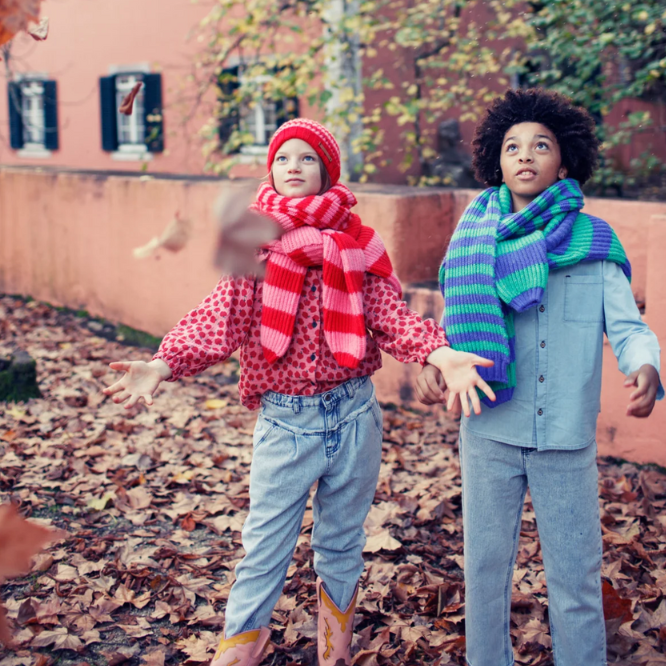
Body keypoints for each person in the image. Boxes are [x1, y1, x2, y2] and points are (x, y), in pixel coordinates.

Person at [103, 118, 495, 666]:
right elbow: (225, 314)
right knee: (265, 544)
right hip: (286, 422)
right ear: (271, 169)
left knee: (340, 543)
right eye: (283, 157)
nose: (293, 166)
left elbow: (386, 313)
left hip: (355, 415)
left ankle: (335, 648)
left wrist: (437, 351)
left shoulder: (360, 241)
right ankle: (243, 646)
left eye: (307, 158)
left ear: (326, 171)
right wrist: (163, 363)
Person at [415, 88, 662, 666]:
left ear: (565, 162)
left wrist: (644, 364)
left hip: (565, 442)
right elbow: (451, 336)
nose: (525, 155)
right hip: (489, 431)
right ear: (495, 162)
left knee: (575, 582)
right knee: (484, 572)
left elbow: (627, 327)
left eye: (541, 145)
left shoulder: (595, 246)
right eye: (512, 146)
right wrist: (434, 363)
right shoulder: (473, 243)